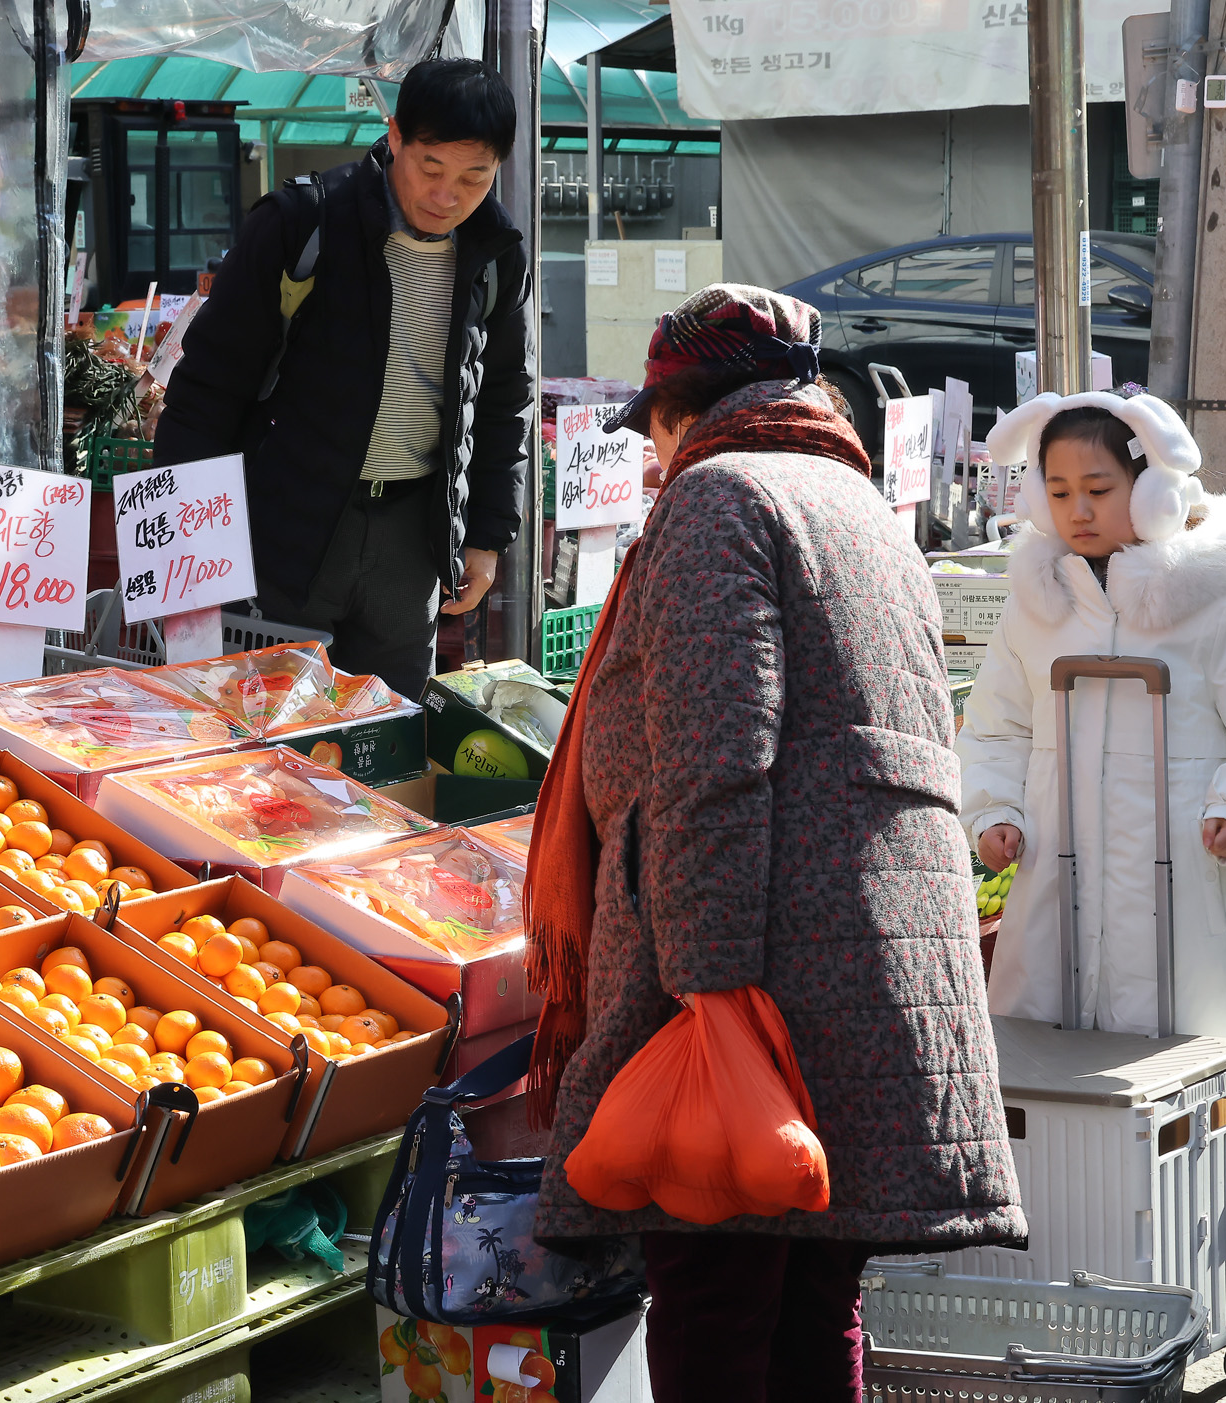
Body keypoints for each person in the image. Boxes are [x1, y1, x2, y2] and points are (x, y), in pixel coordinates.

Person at [525, 284, 1025, 1402]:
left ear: (681, 411)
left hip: (756, 981)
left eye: (653, 429)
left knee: (713, 1301)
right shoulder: (855, 502)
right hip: (863, 972)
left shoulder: (719, 496)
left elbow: (714, 763)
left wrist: (702, 988)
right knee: (809, 1304)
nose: (652, 457)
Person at [152, 58, 532, 698]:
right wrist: (179, 541)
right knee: (268, 732)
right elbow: (208, 386)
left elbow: (502, 402)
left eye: (474, 177)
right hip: (284, 529)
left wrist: (488, 536)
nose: (447, 196)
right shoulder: (303, 224)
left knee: (388, 730)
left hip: (410, 545)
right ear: (395, 135)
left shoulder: (497, 254)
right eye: (431, 168)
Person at [959, 392, 1226, 1046]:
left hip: (1187, 892)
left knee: (1183, 1087)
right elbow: (997, 726)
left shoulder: (1218, 605)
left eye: (1098, 489)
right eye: (1059, 492)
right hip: (1054, 900)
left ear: (1152, 492)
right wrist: (994, 809)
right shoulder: (1034, 609)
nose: (1078, 511)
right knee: (1049, 1080)